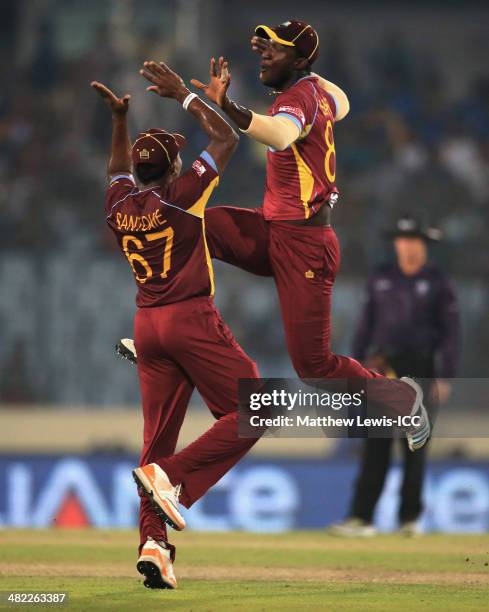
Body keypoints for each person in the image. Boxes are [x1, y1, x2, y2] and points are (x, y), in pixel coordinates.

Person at [118, 20, 431, 452]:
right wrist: (306, 70)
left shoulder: (299, 97)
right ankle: (167, 333)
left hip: (304, 248)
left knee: (315, 366)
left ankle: (403, 399)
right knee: (191, 225)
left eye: (277, 49)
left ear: (300, 61)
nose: (264, 53)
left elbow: (281, 135)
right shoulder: (314, 89)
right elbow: (342, 101)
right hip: (274, 232)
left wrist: (226, 104)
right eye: (265, 46)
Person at [92, 58, 263, 590]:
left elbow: (116, 170)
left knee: (156, 441)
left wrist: (120, 122)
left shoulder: (118, 203)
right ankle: (175, 481)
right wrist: (184, 97)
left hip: (147, 325)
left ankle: (153, 546)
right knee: (255, 404)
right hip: (190, 317)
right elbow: (228, 138)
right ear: (171, 170)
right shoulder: (183, 197)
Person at [330, 215, 460, 537]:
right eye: (403, 240)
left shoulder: (438, 283)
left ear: (423, 244)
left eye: (414, 240)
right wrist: (355, 367)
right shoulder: (381, 278)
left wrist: (445, 376)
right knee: (376, 444)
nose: (408, 246)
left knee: (415, 446)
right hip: (382, 367)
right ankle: (362, 518)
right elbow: (364, 326)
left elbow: (451, 334)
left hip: (421, 367)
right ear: (396, 243)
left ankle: (409, 519)